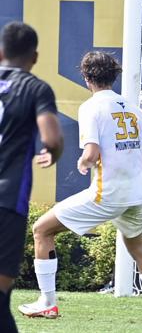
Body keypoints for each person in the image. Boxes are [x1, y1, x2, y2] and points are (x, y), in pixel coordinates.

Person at [18, 51, 142, 324]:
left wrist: (83, 162)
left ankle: (47, 302)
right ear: (114, 76)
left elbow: (91, 153)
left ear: (86, 78)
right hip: (135, 196)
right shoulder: (134, 108)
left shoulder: (91, 107)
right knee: (138, 247)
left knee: (41, 229)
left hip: (107, 194)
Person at [0, 21, 63, 333]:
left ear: (1, 53)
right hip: (8, 200)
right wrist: (51, 152)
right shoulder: (36, 88)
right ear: (35, 57)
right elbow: (51, 137)